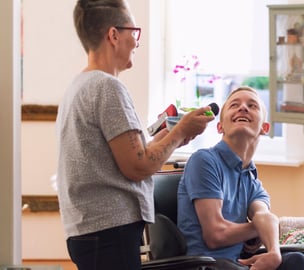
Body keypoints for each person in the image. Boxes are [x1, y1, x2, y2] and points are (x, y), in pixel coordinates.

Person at [55, 1, 215, 269]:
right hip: (109, 231)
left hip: (89, 230)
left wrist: (170, 138)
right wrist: (180, 131)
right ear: (114, 35)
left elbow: (123, 158)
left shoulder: (79, 86)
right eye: (134, 32)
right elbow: (138, 166)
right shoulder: (108, 88)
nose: (137, 43)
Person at [177, 86, 304, 270]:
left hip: (238, 263)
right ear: (220, 126)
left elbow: (265, 216)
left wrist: (274, 253)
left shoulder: (251, 179)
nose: (243, 108)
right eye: (234, 105)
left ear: (264, 128)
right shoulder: (204, 160)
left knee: (295, 260)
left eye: (252, 105)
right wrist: (257, 228)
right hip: (207, 265)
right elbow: (215, 235)